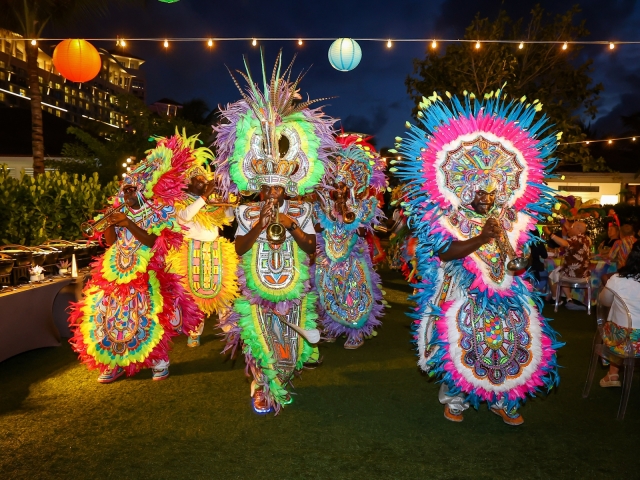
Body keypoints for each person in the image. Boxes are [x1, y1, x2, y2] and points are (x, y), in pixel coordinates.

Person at [394, 88, 562, 426]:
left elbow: (521, 256)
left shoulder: (512, 218)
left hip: (508, 291)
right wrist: (481, 237)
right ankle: (456, 399)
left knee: (514, 337)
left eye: (492, 192)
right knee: (460, 340)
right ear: (465, 189)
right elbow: (445, 251)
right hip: (463, 289)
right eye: (479, 192)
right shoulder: (449, 218)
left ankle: (506, 398)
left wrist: (524, 261)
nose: (487, 199)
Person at [214, 52, 334, 414]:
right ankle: (261, 385)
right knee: (259, 337)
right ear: (260, 189)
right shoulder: (248, 210)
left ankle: (279, 378)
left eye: (278, 189)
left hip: (293, 285)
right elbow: (238, 248)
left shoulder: (301, 209)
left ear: (287, 189)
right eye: (267, 189)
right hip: (256, 285)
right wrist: (262, 224)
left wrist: (292, 225)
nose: (273, 194)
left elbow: (312, 248)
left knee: (288, 344)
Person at [69, 133, 203, 383]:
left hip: (146, 271)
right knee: (108, 313)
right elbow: (110, 243)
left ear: (143, 190)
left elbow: (155, 242)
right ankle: (113, 361)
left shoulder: (159, 210)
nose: (127, 194)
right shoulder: (120, 211)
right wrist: (110, 223)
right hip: (116, 270)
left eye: (131, 190)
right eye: (125, 189)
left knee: (149, 314)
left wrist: (128, 223)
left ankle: (158, 359)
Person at [313, 141, 387, 349]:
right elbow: (317, 229)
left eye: (343, 185)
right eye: (335, 186)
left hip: (352, 259)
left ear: (352, 186)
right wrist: (330, 214)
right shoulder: (321, 207)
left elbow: (363, 232)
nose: (338, 190)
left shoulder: (363, 205)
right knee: (327, 293)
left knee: (354, 294)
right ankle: (332, 327)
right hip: (326, 258)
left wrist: (347, 214)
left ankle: (355, 332)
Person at [168, 157, 239, 347]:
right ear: (189, 183)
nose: (205, 181)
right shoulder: (180, 201)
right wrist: (205, 196)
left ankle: (228, 327)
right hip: (190, 251)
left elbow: (229, 219)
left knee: (224, 291)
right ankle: (194, 331)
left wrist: (227, 200)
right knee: (193, 294)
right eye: (199, 179)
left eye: (205, 178)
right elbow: (184, 218)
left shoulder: (213, 199)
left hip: (216, 248)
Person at [598, 241, 640, 387]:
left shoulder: (617, 279)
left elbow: (604, 301)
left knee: (615, 323)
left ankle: (613, 374)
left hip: (621, 342)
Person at [544, 221, 591, 311]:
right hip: (584, 275)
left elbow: (564, 243)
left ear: (577, 229)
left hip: (574, 275)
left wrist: (550, 234)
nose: (569, 229)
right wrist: (563, 221)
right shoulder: (585, 238)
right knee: (560, 272)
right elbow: (572, 230)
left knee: (552, 274)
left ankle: (555, 299)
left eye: (572, 227)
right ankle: (569, 300)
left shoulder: (577, 239)